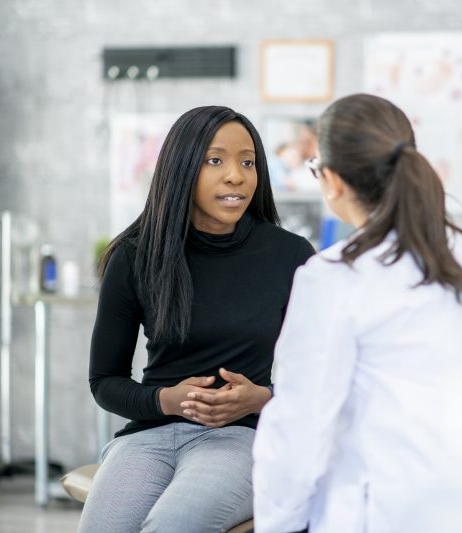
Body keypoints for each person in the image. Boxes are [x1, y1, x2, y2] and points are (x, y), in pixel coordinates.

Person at [252, 94, 462, 533]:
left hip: (382, 513)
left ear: (332, 181)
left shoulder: (335, 276)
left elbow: (299, 428)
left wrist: (278, 524)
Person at [78, 105, 315, 533]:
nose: (236, 176)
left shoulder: (291, 255)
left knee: (172, 526)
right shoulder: (135, 255)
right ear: (183, 168)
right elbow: (104, 381)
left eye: (248, 162)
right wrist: (166, 400)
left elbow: (324, 378)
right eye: (215, 160)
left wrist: (262, 398)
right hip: (148, 437)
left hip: (240, 438)